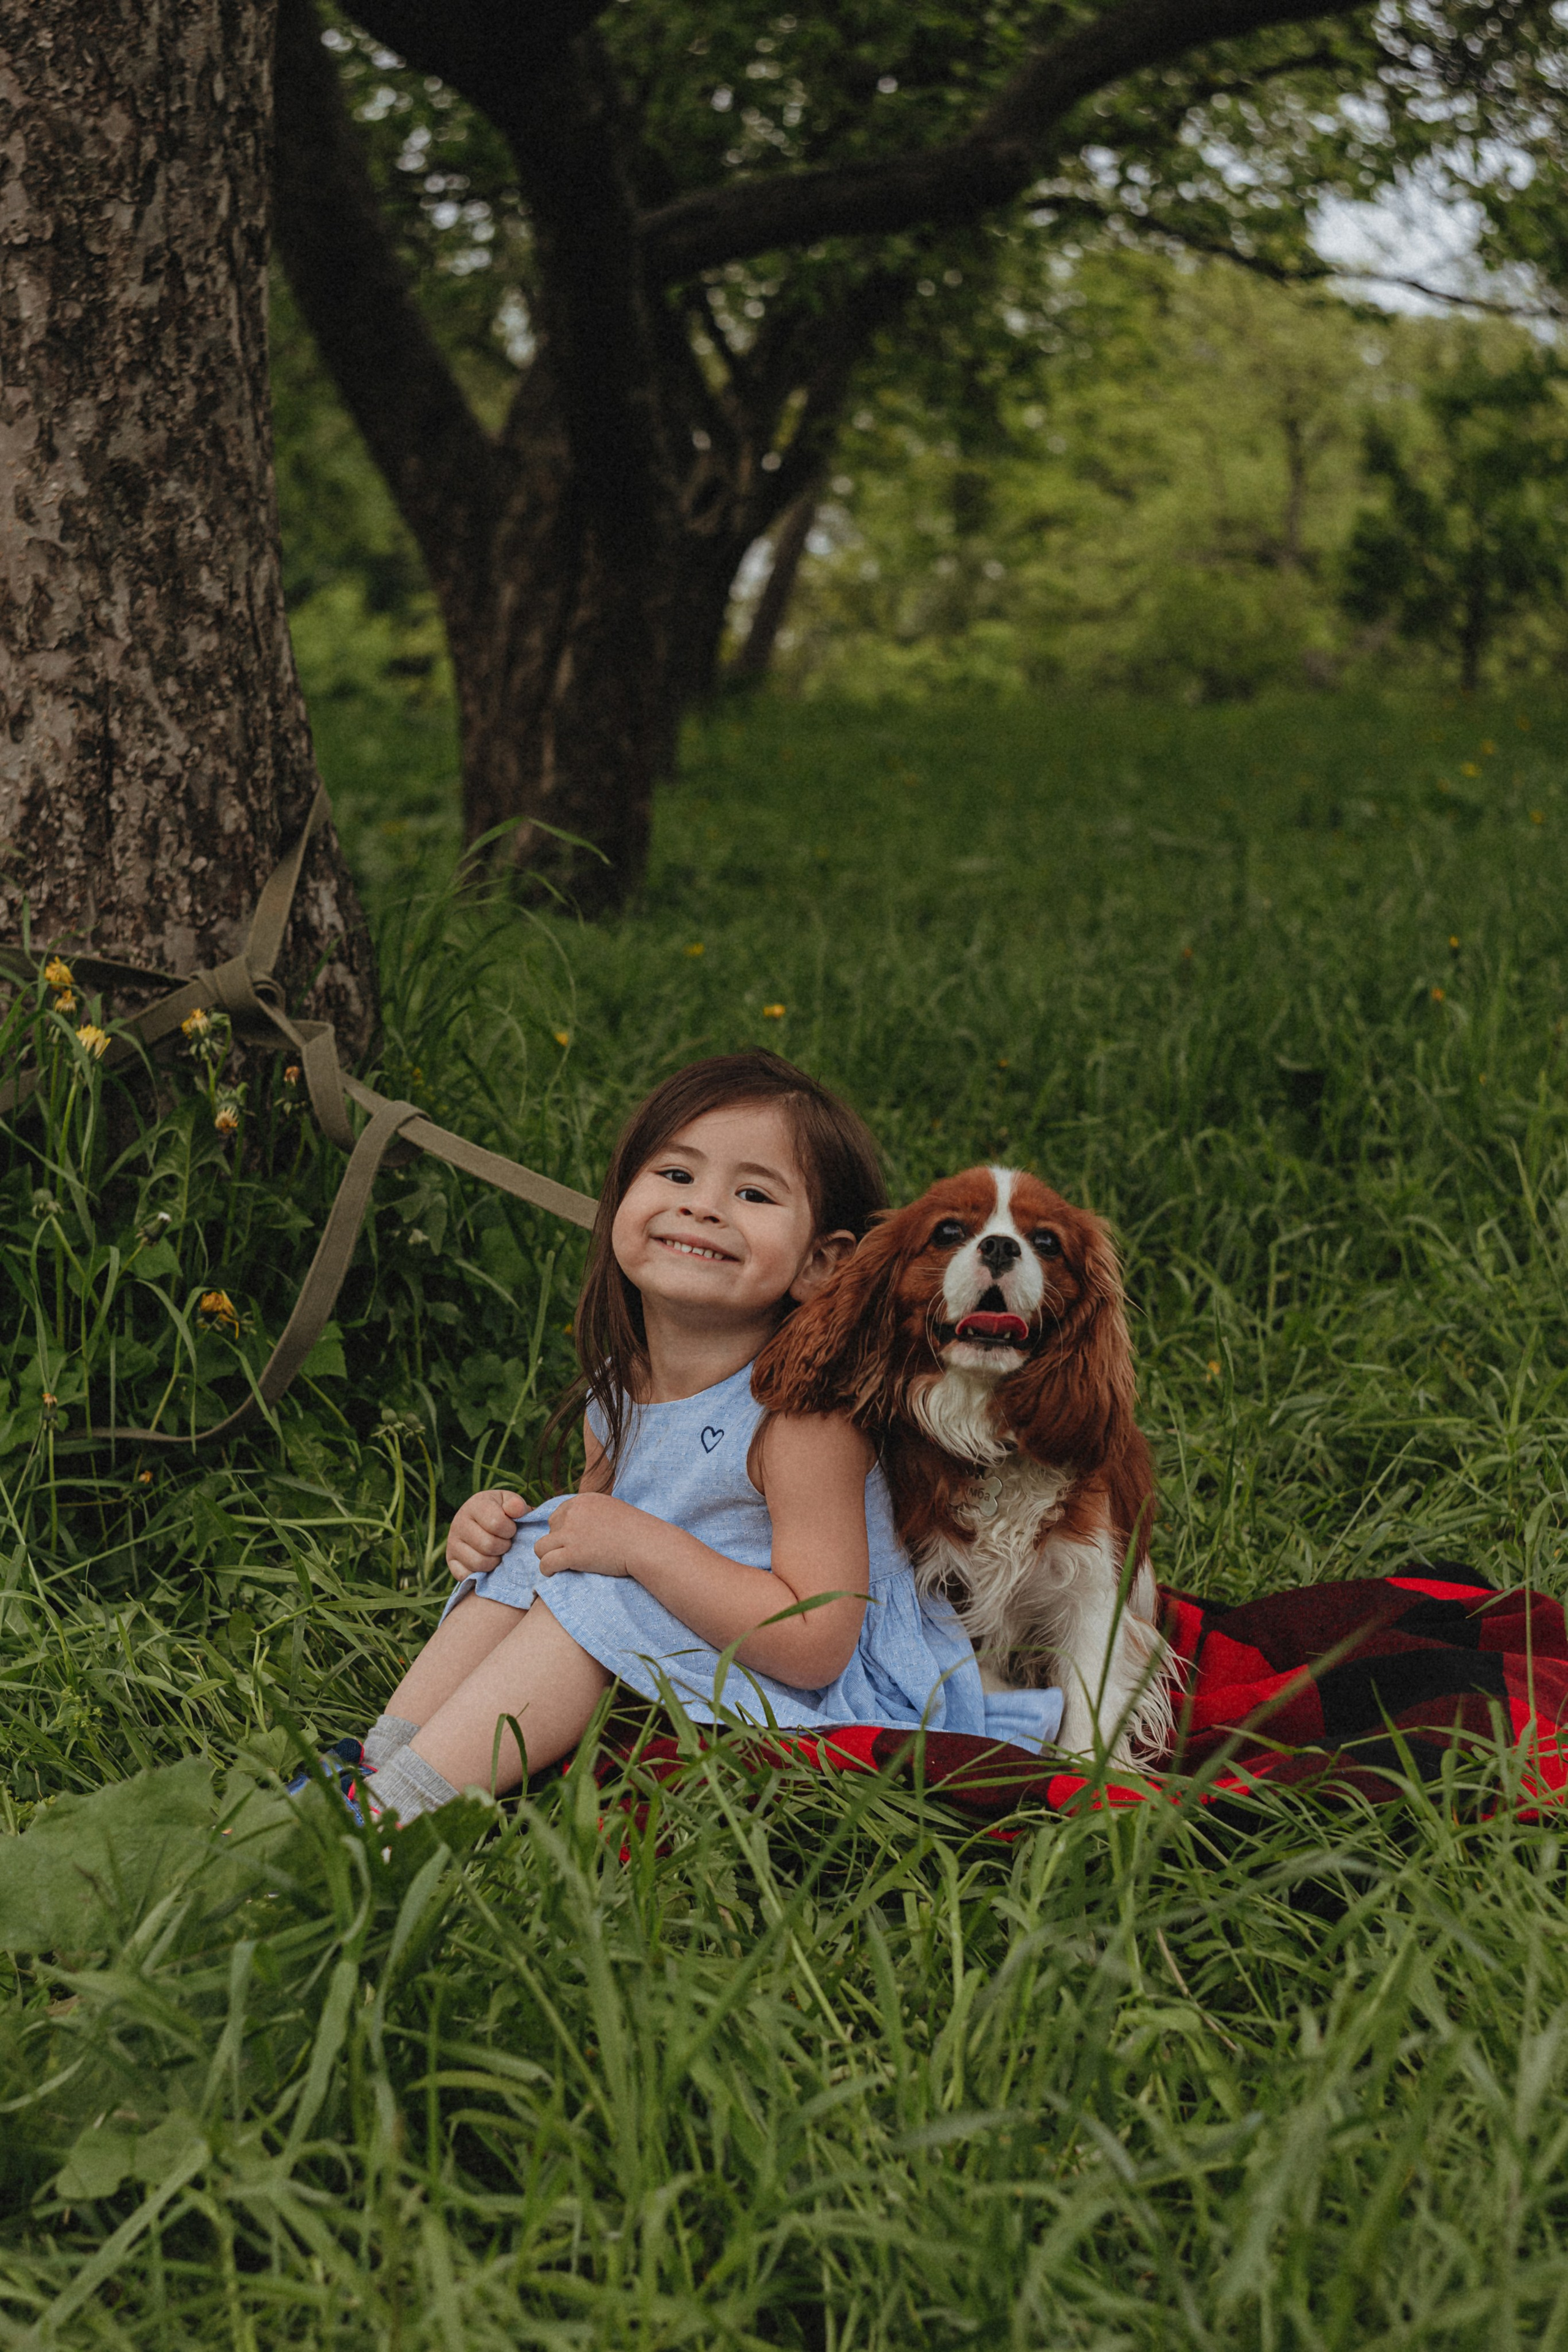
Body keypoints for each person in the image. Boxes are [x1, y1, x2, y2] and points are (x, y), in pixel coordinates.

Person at [304, 1050, 1063, 1825]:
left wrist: (636, 1547)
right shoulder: (622, 1380)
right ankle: (375, 1763)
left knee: (598, 1588)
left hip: (829, 1691)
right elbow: (582, 1543)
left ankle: (393, 1815)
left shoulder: (801, 1420)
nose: (702, 1207)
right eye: (675, 1176)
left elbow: (816, 1641)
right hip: (692, 1644)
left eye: (753, 1192)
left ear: (821, 1263)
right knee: (542, 1545)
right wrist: (498, 1530)